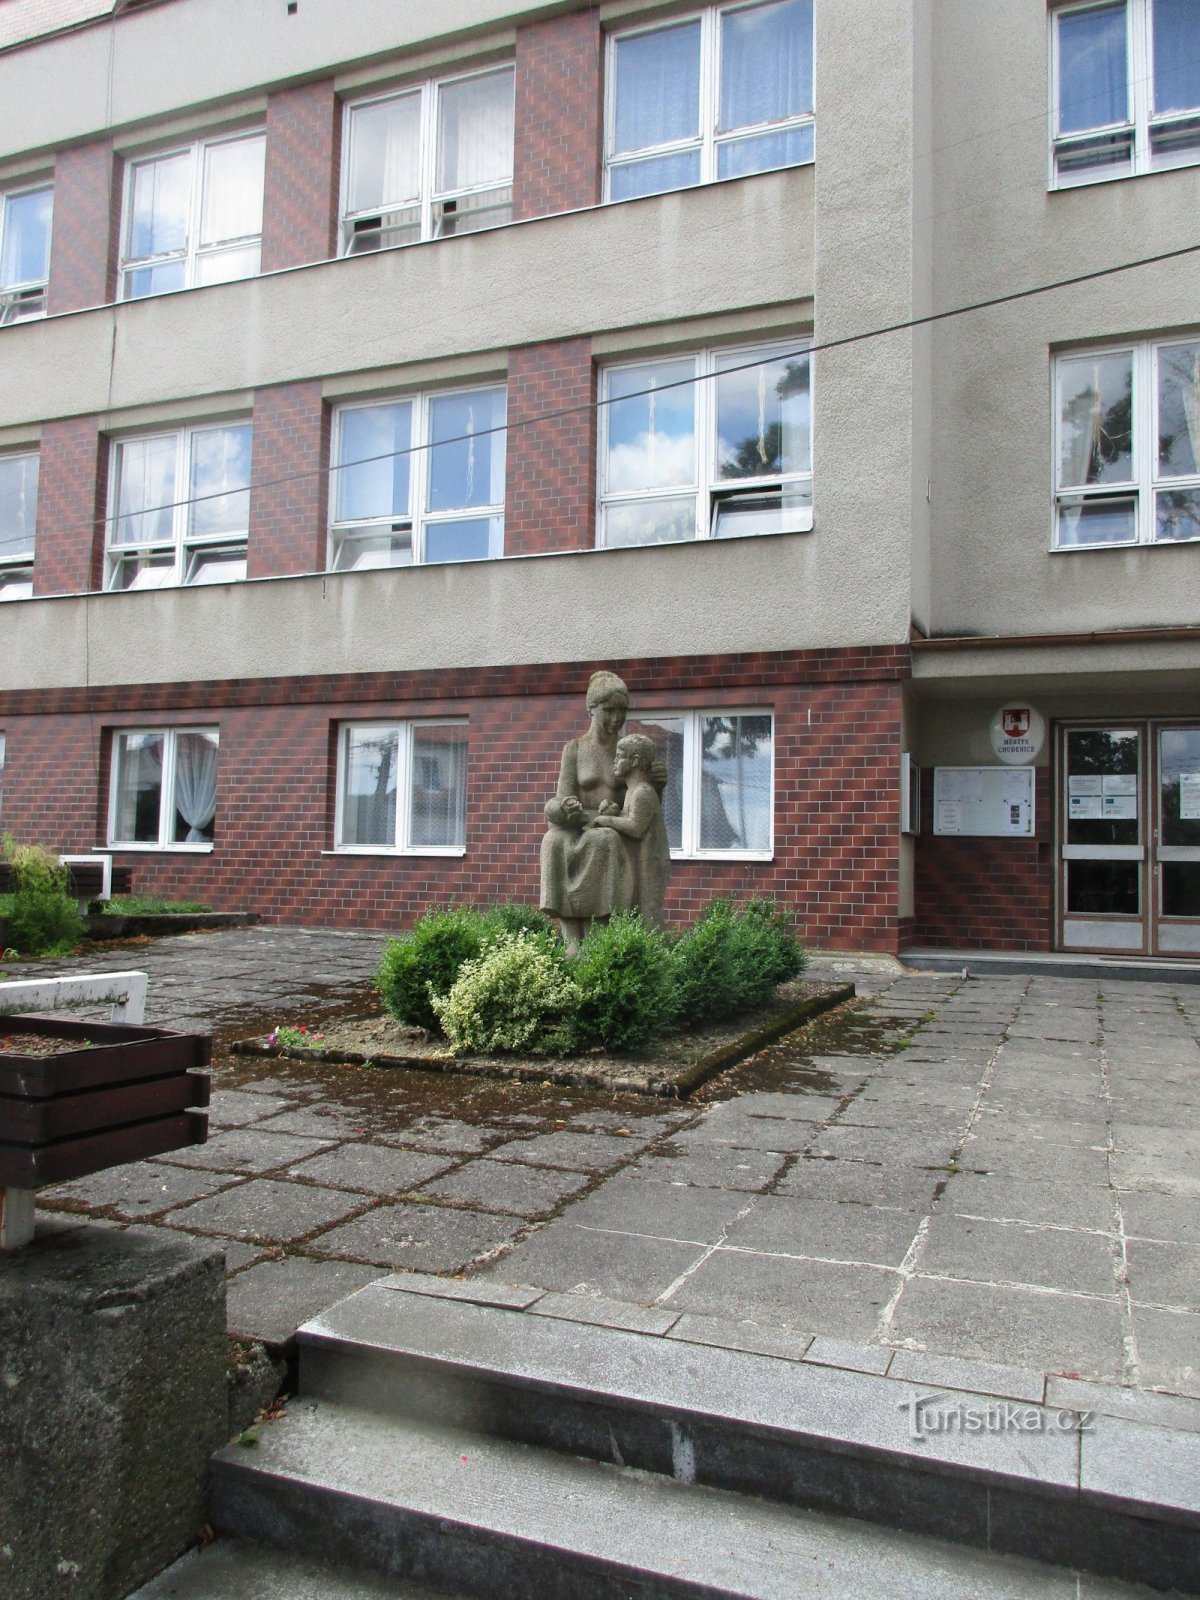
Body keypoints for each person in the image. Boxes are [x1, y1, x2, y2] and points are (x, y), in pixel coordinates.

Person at [539, 670, 666, 953]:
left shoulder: (629, 752)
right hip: (579, 827)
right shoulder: (574, 749)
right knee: (552, 841)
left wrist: (658, 785)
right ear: (591, 709)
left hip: (615, 831)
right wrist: (563, 808)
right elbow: (561, 799)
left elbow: (645, 807)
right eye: (609, 710)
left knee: (604, 839)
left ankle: (598, 937)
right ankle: (572, 940)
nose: (617, 718)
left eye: (622, 710)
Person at [586, 733, 670, 931]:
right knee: (637, 911)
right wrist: (615, 811)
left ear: (634, 761)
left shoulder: (642, 791)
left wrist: (606, 820)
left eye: (619, 756)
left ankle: (656, 955)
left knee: (650, 915)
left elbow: (636, 828)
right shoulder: (632, 791)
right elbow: (630, 817)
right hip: (640, 861)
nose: (614, 761)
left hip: (650, 863)